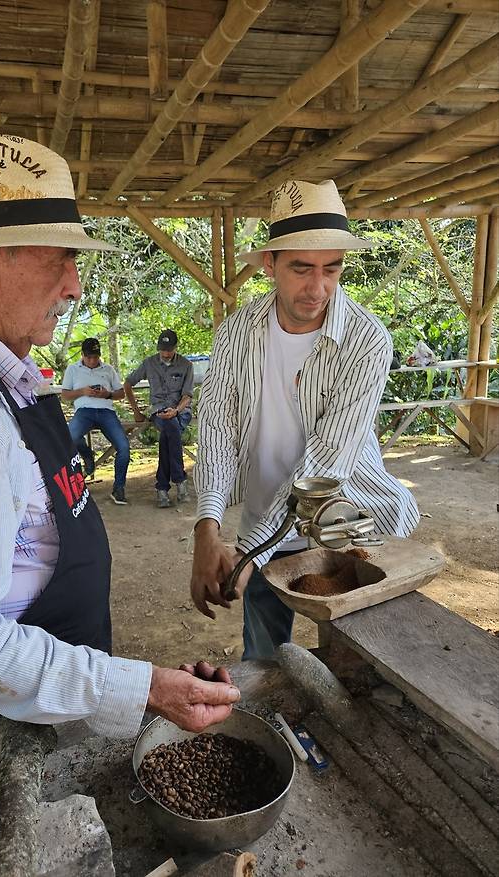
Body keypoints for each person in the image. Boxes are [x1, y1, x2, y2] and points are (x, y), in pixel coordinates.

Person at [0, 135, 240, 735]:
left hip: (38, 691)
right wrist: (144, 688)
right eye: (61, 260)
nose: (74, 286)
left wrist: (123, 681)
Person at [190, 179, 420, 659]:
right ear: (269, 264)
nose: (318, 288)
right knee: (265, 659)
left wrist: (250, 552)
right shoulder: (237, 332)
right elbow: (216, 426)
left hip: (347, 524)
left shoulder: (366, 340)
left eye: (331, 268)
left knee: (362, 659)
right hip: (263, 520)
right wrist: (207, 525)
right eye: (301, 268)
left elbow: (325, 464)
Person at [124, 330, 194, 508]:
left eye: (169, 350)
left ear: (176, 348)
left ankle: (162, 487)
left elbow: (187, 396)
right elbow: (128, 383)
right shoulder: (149, 363)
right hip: (158, 410)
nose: (166, 353)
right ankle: (179, 480)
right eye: (163, 350)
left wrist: (176, 411)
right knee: (171, 428)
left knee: (169, 432)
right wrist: (136, 411)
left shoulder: (186, 365)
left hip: (180, 411)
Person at [61, 337, 130, 505]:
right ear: (82, 355)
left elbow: (121, 394)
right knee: (69, 437)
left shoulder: (108, 369)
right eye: (89, 357)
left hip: (106, 411)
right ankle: (87, 456)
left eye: (95, 357)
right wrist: (82, 392)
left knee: (124, 447)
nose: (92, 361)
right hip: (84, 411)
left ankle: (119, 487)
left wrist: (107, 394)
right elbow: (65, 395)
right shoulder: (73, 369)